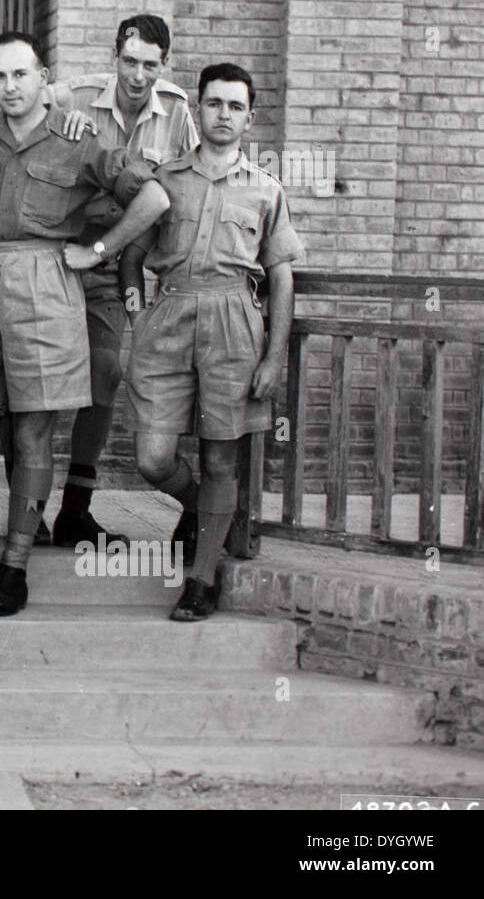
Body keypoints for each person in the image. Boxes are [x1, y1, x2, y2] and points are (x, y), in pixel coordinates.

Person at [0, 31, 169, 615]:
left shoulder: (79, 138)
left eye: (20, 75)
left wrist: (99, 251)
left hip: (49, 286)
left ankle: (15, 566)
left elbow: (152, 198)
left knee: (31, 434)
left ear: (42, 76)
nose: (9, 87)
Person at [120, 63, 303, 621]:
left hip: (234, 324)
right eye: (214, 103)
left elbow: (282, 277)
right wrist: (136, 315)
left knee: (222, 456)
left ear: (250, 117)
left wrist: (273, 356)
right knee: (152, 457)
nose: (223, 115)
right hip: (169, 314)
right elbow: (130, 255)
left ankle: (201, 580)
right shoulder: (166, 180)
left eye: (235, 106)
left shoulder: (266, 189)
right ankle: (199, 507)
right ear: (197, 109)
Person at [36, 14, 199, 550]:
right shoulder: (74, 96)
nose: (137, 75)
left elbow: (187, 191)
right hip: (58, 257)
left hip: (112, 266)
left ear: (163, 65)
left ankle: (75, 511)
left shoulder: (175, 112)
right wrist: (54, 120)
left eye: (150, 65)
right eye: (129, 62)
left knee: (105, 374)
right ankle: (28, 508)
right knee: (36, 380)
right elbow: (18, 108)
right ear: (115, 56)